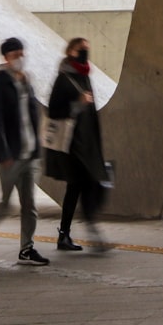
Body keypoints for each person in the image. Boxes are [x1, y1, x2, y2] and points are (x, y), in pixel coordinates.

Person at [0, 37, 49, 266]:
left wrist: (37, 145)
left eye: (22, 54)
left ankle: (27, 248)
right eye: (15, 55)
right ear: (6, 58)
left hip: (29, 153)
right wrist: (2, 153)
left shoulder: (26, 80)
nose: (20, 59)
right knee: (5, 204)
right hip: (10, 155)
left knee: (30, 205)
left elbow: (33, 113)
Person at [45, 37, 110, 251]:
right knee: (80, 185)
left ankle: (69, 234)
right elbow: (54, 110)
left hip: (88, 142)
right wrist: (77, 103)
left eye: (87, 48)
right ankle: (84, 233)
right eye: (81, 48)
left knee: (86, 186)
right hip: (72, 144)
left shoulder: (85, 76)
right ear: (71, 51)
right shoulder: (64, 78)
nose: (85, 51)